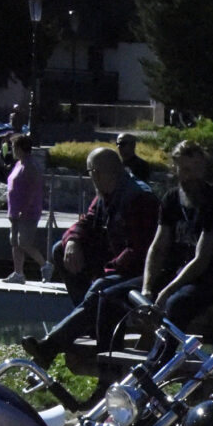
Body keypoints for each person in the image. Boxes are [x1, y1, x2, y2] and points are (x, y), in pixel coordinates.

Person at [23, 144, 157, 368]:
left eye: (90, 172)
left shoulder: (138, 197)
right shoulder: (107, 194)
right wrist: (73, 241)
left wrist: (108, 270)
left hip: (139, 271)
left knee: (103, 287)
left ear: (98, 172)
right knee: (60, 250)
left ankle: (50, 345)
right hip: (118, 265)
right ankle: (87, 321)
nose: (90, 178)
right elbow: (86, 222)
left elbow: (141, 249)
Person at [142, 139, 213, 329]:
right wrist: (147, 288)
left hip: (211, 280)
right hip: (177, 273)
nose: (193, 176)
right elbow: (158, 248)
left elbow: (201, 260)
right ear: (175, 169)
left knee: (175, 304)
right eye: (186, 170)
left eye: (197, 169)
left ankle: (164, 349)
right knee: (118, 293)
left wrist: (167, 291)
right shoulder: (171, 199)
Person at [4, 135, 45, 283]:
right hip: (15, 211)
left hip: (28, 212)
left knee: (24, 243)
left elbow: (32, 190)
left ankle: (45, 265)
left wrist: (25, 208)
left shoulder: (30, 166)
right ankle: (18, 273)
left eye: (14, 147)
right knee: (15, 242)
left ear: (20, 148)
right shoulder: (18, 164)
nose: (12, 150)